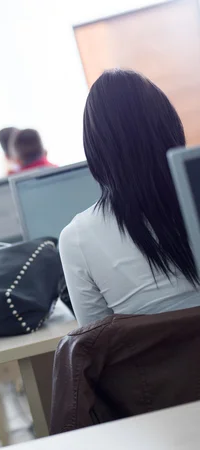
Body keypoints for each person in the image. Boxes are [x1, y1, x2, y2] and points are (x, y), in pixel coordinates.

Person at [59, 69, 200, 327]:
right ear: (169, 126)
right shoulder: (194, 199)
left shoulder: (77, 238)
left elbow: (97, 346)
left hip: (155, 368)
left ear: (95, 146)